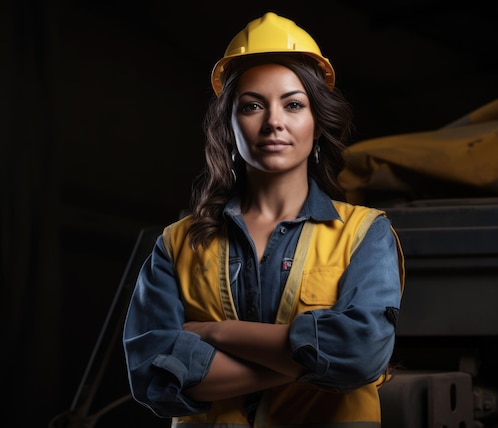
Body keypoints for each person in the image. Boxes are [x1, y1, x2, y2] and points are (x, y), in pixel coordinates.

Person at [122, 11, 405, 427]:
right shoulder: (176, 243)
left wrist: (215, 334)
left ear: (316, 122)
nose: (274, 122)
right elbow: (151, 374)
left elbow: (360, 352)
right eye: (253, 105)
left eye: (293, 104)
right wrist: (313, 364)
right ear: (229, 125)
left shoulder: (364, 233)